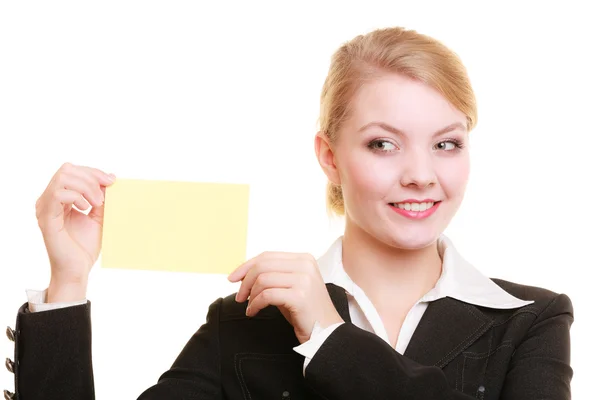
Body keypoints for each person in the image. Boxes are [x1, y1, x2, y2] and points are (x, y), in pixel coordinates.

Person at [4, 26, 573, 400]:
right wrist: (68, 284)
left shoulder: (531, 321)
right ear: (329, 156)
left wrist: (328, 335)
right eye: (383, 144)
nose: (422, 173)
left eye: (446, 143)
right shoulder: (246, 321)